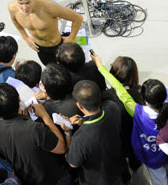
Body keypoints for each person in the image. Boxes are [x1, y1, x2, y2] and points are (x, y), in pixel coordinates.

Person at [91, 53, 168, 185]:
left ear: (144, 98)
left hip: (153, 159)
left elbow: (119, 88)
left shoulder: (137, 111)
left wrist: (100, 66)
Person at [0, 83, 70, 185]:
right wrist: (45, 117)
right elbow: (62, 148)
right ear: (19, 99)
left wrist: (24, 118)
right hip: (52, 179)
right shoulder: (34, 129)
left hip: (27, 179)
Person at [61, 80, 126, 185]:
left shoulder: (80, 138)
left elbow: (73, 163)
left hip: (97, 180)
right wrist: (84, 121)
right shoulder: (112, 107)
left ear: (79, 105)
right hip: (117, 169)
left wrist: (68, 133)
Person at [8, 0, 83, 65]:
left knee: (66, 71)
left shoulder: (49, 7)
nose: (24, 8)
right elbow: (14, 20)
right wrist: (25, 37)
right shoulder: (12, 8)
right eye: (21, 4)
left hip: (57, 46)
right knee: (51, 71)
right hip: (39, 48)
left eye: (28, 2)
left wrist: (70, 38)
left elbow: (78, 18)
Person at [102, 56, 143, 182]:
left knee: (121, 161)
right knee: (135, 156)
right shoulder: (140, 92)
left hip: (118, 139)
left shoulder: (106, 96)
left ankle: (126, 178)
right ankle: (135, 165)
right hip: (135, 137)